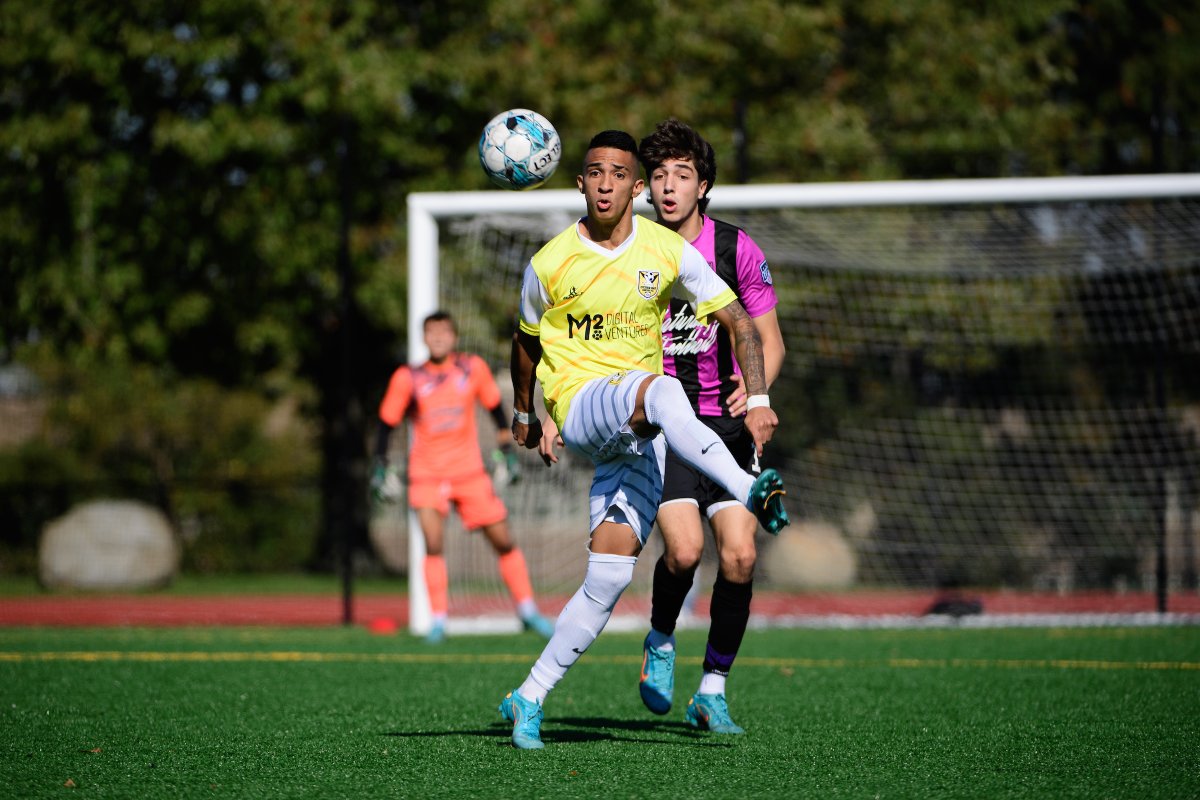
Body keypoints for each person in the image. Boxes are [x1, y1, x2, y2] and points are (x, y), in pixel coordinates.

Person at [496, 130, 789, 750]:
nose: (605, 184)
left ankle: (528, 695)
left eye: (618, 174)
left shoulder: (668, 250)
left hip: (643, 437)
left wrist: (760, 397)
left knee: (607, 578)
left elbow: (739, 319)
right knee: (657, 391)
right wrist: (527, 412)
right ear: (580, 183)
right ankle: (748, 490)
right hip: (587, 405)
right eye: (594, 172)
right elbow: (525, 340)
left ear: (634, 188)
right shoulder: (550, 262)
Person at [635, 119, 787, 735]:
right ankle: (660, 638)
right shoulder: (633, 250)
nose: (669, 186)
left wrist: (757, 393)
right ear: (647, 188)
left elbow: (770, 341)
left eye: (683, 175)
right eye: (659, 176)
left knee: (741, 555)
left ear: (703, 186)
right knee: (684, 551)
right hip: (667, 430)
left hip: (728, 428)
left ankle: (712, 690)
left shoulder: (735, 249)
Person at [371, 310, 555, 644]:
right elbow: (387, 423)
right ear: (424, 338)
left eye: (444, 331)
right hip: (426, 475)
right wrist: (380, 465)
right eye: (431, 332)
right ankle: (438, 621)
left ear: (454, 336)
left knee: (503, 541)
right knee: (433, 544)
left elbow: (496, 410)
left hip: (469, 473)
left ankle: (527, 610)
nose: (438, 337)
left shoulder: (472, 368)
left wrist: (506, 451)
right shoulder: (408, 377)